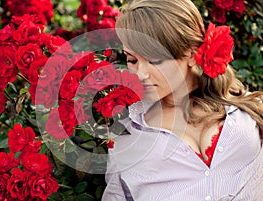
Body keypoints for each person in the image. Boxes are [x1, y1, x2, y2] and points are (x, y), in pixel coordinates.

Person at [101, 0, 263, 200]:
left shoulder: (244, 112)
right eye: (132, 60)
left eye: (154, 60)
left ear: (192, 54)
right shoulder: (128, 137)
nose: (140, 74)